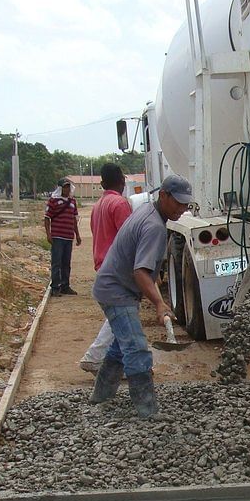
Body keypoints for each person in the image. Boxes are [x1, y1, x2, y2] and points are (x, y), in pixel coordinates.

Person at [90, 174, 193, 419]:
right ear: (163, 195)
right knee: (136, 348)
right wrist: (159, 303)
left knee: (120, 346)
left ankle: (100, 396)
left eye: (186, 204)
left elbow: (143, 265)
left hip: (113, 285)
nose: (182, 209)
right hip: (117, 291)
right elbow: (140, 272)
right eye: (177, 202)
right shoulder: (155, 227)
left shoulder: (148, 210)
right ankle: (147, 411)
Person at [79, 163, 133, 373]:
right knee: (121, 315)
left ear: (101, 183)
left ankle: (118, 361)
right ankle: (95, 356)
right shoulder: (119, 204)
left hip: (103, 265)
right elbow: (129, 239)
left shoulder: (98, 205)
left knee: (121, 315)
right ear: (122, 181)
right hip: (117, 267)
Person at [44, 178, 81, 296]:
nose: (67, 189)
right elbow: (47, 218)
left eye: (68, 187)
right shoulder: (53, 201)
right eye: (65, 187)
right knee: (56, 263)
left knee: (66, 263)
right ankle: (55, 287)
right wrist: (48, 234)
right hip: (57, 236)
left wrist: (77, 235)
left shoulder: (72, 202)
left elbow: (74, 219)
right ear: (60, 188)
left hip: (68, 236)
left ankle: (65, 286)